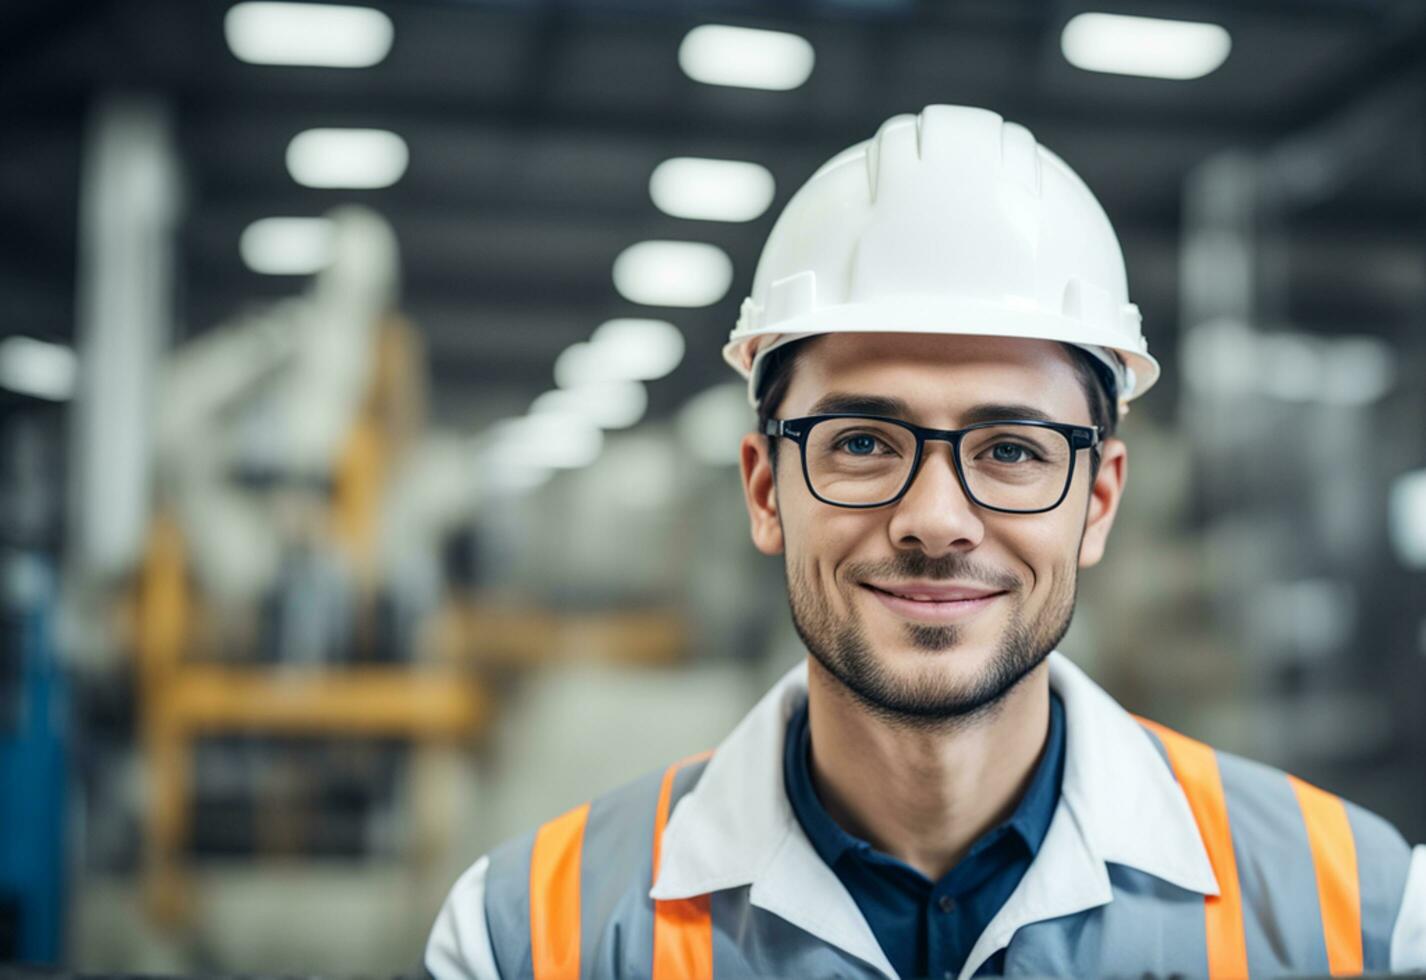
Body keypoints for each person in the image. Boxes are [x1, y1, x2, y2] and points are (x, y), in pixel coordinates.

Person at [424, 105, 1426, 979]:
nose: (936, 519)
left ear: (1100, 500)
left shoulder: (1365, 913)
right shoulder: (526, 935)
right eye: (862, 441)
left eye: (1011, 449)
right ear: (765, 488)